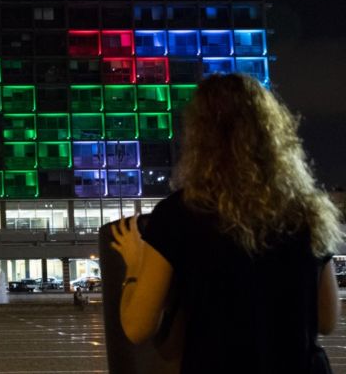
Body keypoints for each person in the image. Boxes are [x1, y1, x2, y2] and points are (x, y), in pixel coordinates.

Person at [111, 73, 342, 373]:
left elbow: (137, 327)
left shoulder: (178, 214)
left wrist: (134, 264)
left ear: (199, 137)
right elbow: (327, 320)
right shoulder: (307, 211)